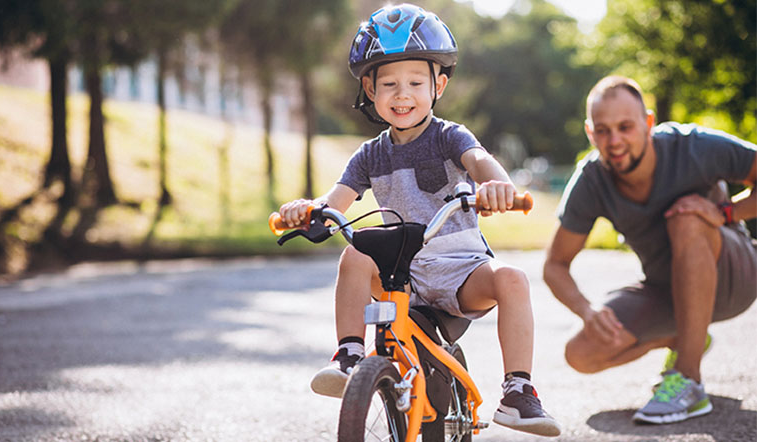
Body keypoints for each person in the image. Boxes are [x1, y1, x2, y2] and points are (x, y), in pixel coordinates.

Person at [277, 4, 561, 437]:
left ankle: (518, 391)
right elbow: (336, 200)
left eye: (414, 82)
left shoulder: (451, 137)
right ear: (370, 91)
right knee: (354, 254)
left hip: (460, 270)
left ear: (439, 85)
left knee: (513, 279)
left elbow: (482, 163)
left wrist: (497, 187)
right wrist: (307, 210)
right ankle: (349, 355)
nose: (402, 94)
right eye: (388, 83)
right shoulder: (371, 154)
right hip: (399, 276)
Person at [543, 75, 757, 425]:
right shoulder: (592, 179)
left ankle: (688, 379)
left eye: (625, 127)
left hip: (735, 278)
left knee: (686, 215)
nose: (614, 141)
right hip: (666, 289)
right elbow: (555, 264)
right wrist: (587, 310)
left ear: (647, 123)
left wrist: (724, 212)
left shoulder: (693, 147)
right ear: (589, 132)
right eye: (603, 130)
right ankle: (689, 338)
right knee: (580, 353)